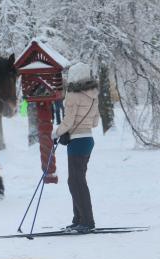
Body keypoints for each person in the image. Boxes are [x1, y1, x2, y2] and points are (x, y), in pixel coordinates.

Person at [52, 62, 100, 233]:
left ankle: (86, 221)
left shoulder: (72, 94)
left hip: (77, 142)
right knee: (78, 180)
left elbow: (69, 121)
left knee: (75, 181)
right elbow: (95, 122)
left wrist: (56, 132)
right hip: (88, 140)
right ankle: (79, 219)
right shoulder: (94, 94)